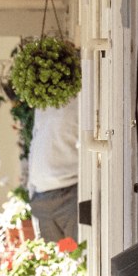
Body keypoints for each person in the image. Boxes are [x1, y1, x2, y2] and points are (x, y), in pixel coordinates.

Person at [28, 94, 80, 241]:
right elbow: (35, 139)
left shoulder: (80, 94)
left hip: (70, 192)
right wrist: (31, 190)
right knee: (59, 254)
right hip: (42, 197)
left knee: (79, 254)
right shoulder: (43, 99)